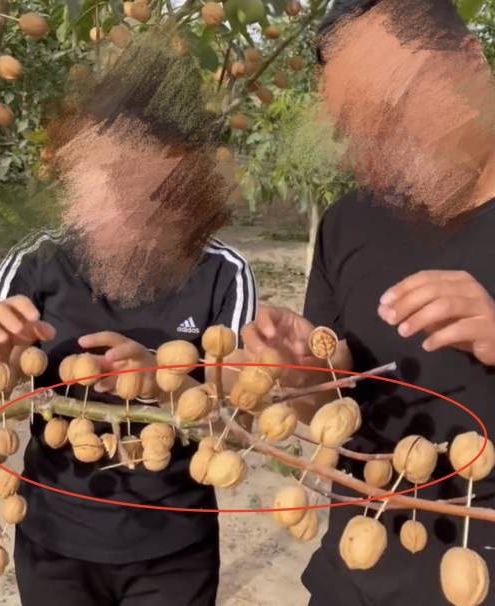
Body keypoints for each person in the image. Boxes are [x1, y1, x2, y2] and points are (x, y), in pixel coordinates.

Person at [0, 29, 258, 606]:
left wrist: (158, 381)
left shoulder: (222, 273)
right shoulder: (36, 263)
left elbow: (240, 417)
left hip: (174, 548)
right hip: (53, 542)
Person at [242, 1, 495, 604]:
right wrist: (302, 375)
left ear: (470, 62)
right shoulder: (349, 222)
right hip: (349, 578)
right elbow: (334, 402)